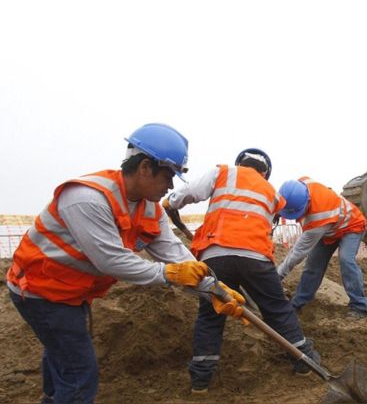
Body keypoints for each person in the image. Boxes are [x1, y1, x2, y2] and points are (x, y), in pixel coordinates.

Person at [4, 123, 226, 404]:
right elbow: (111, 261)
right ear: (145, 167)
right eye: (168, 176)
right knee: (79, 376)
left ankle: (51, 398)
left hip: (72, 291)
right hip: (40, 291)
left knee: (62, 353)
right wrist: (169, 274)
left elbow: (174, 252)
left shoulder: (149, 207)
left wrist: (215, 290)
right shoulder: (87, 198)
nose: (170, 186)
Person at [163, 148, 321, 391]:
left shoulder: (223, 172)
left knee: (210, 314)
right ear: (265, 172)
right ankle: (305, 361)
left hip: (216, 255)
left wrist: (169, 201)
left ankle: (200, 381)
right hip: (256, 258)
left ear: (240, 162)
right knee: (277, 308)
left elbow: (187, 194)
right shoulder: (272, 194)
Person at [276, 177, 367, 319]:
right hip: (330, 229)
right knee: (313, 265)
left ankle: (360, 306)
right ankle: (297, 303)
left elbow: (298, 252)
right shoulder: (301, 185)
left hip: (351, 226)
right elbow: (283, 199)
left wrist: (277, 276)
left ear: (307, 203)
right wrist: (276, 211)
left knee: (346, 260)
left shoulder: (318, 217)